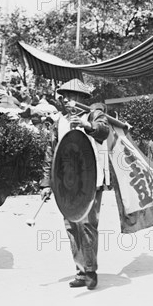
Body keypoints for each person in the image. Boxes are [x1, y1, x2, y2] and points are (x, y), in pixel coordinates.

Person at [39, 79, 109, 289]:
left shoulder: (93, 115)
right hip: (67, 182)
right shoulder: (59, 121)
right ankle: (80, 271)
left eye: (73, 97)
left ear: (82, 99)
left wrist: (87, 126)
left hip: (90, 180)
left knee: (87, 224)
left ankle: (90, 270)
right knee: (71, 226)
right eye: (66, 97)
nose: (68, 101)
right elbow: (50, 154)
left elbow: (103, 130)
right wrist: (46, 183)